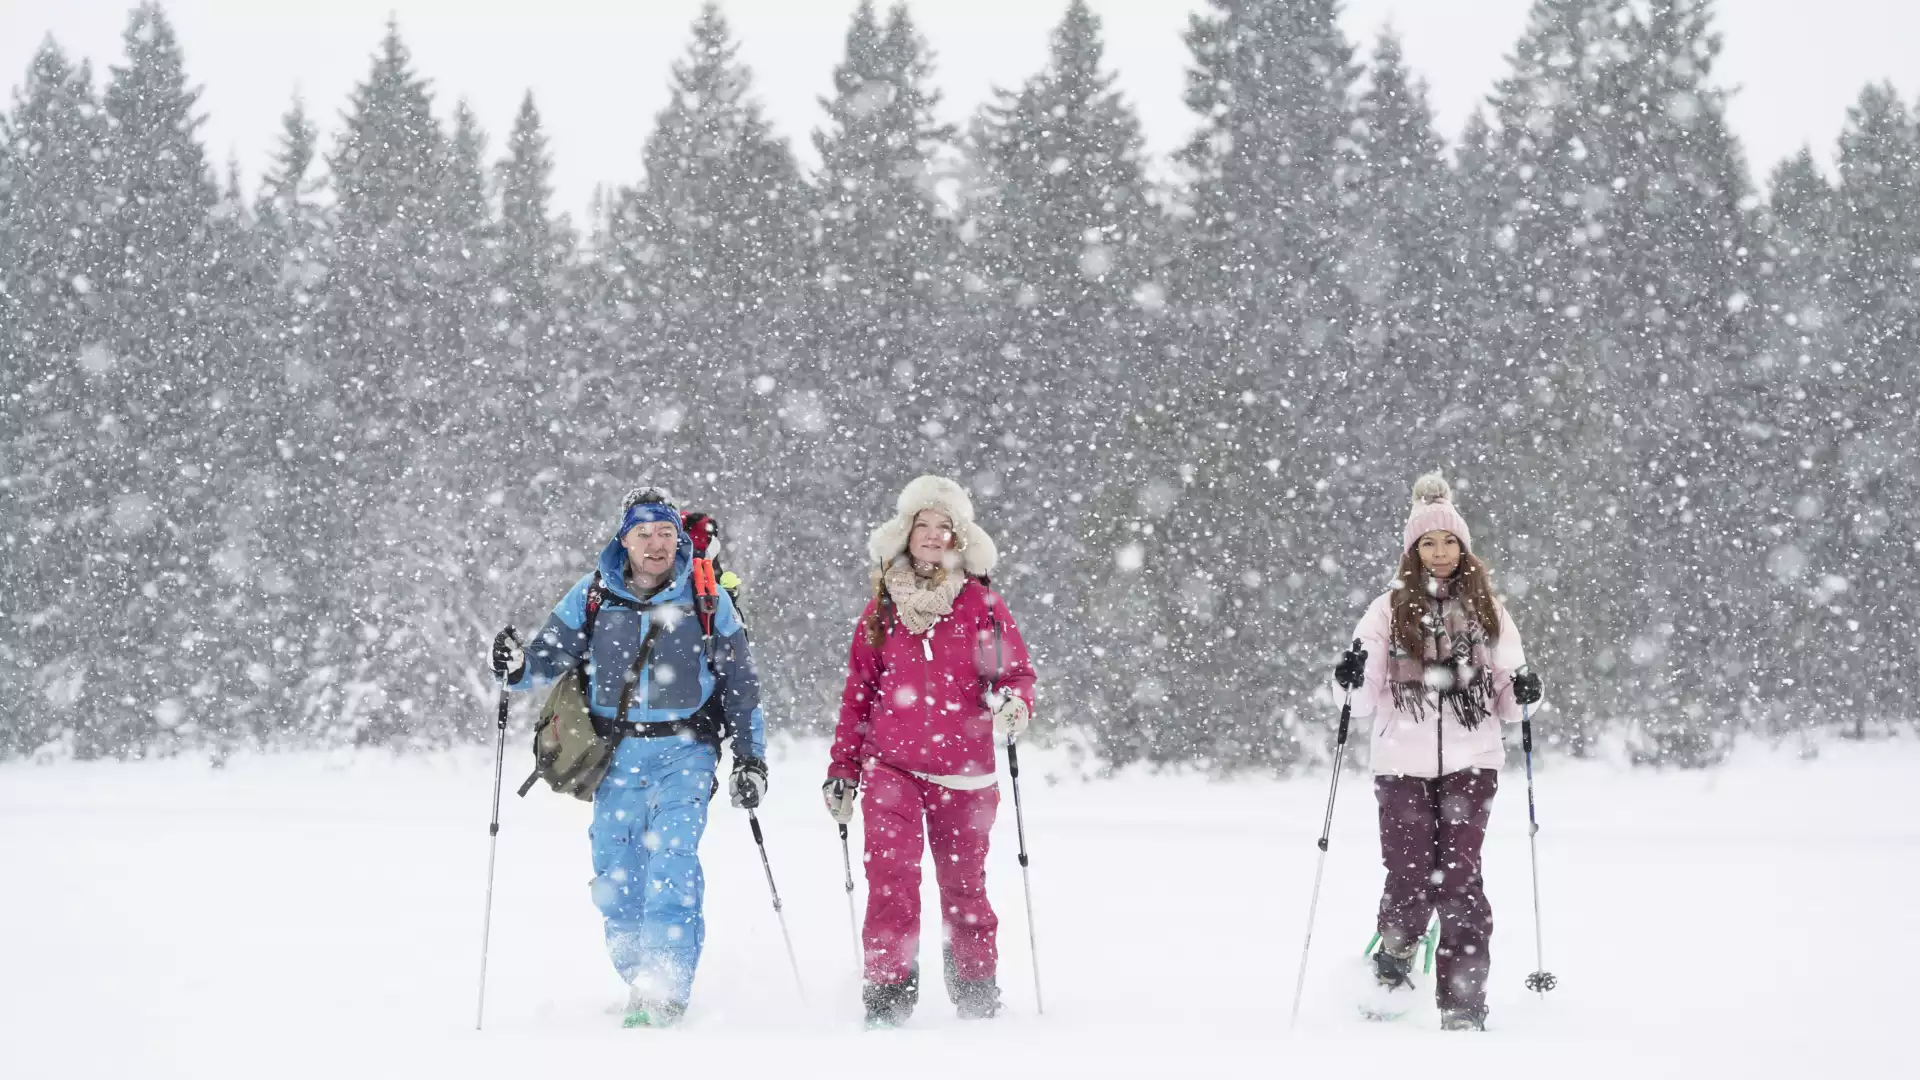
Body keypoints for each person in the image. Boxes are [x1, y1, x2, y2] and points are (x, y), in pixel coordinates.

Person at [490, 486, 768, 1028]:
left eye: (666, 533)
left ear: (680, 539)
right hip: (615, 757)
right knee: (616, 880)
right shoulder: (593, 595)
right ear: (625, 540)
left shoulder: (706, 597)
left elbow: (741, 684)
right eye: (644, 533)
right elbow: (545, 659)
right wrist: (515, 664)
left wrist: (751, 759)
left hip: (685, 752)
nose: (656, 543)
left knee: (672, 865)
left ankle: (665, 985)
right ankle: (639, 976)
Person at [824, 475, 1036, 1028]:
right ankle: (888, 1001)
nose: (935, 536)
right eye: (925, 525)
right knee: (891, 884)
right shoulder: (882, 608)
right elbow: (858, 696)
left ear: (960, 539)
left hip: (965, 772)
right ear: (906, 533)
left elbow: (1014, 673)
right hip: (890, 766)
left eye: (946, 527)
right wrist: (842, 770)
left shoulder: (982, 603)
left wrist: (1014, 702)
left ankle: (977, 997)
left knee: (965, 888)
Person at [1334, 473, 1543, 1032]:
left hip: (1473, 762)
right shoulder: (1386, 611)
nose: (1441, 552)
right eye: (1429, 542)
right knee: (1408, 874)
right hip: (1401, 762)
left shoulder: (1489, 612)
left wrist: (1527, 693)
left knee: (1457, 880)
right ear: (1413, 550)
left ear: (1464, 548)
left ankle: (1464, 1008)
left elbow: (1510, 699)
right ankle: (1396, 957)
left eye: (1449, 542)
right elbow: (1355, 697)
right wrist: (1348, 676)